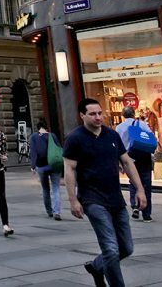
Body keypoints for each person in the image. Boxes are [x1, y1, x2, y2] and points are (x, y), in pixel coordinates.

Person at [64, 98, 147, 287]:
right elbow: (69, 169)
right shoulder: (75, 138)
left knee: (126, 247)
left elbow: (126, 162)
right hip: (92, 200)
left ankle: (96, 266)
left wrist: (140, 190)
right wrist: (73, 200)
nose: (98, 117)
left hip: (116, 200)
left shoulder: (112, 135)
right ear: (82, 115)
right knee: (111, 249)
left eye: (100, 113)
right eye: (92, 114)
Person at [116, 106, 154, 223]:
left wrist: (119, 161)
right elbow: (150, 138)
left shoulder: (119, 127)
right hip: (143, 157)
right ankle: (146, 213)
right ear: (133, 114)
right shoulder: (141, 124)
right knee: (146, 183)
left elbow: (118, 144)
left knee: (133, 182)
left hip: (128, 158)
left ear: (123, 115)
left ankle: (135, 206)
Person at [29, 119, 63, 220]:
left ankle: (49, 211)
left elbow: (33, 152)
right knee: (56, 188)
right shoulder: (52, 136)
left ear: (38, 128)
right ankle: (57, 211)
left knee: (45, 189)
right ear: (46, 127)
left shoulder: (34, 137)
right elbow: (59, 149)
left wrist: (33, 166)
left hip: (42, 166)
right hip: (54, 165)